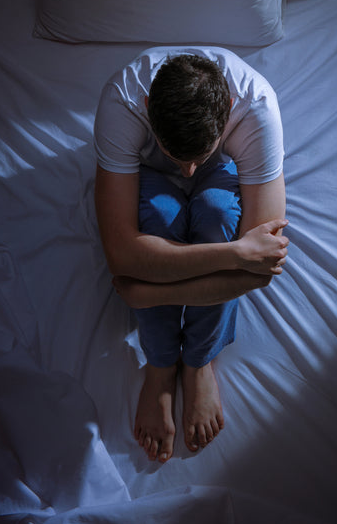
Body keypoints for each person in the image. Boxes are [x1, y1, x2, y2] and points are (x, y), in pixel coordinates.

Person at [94, 46, 289, 464]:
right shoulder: (123, 102)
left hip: (222, 172)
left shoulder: (256, 107)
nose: (187, 171)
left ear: (230, 110)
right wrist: (235, 253)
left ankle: (199, 360)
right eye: (175, 154)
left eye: (196, 157)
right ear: (148, 107)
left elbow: (262, 269)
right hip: (148, 176)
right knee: (160, 216)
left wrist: (146, 292)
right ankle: (162, 362)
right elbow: (123, 255)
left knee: (217, 212)